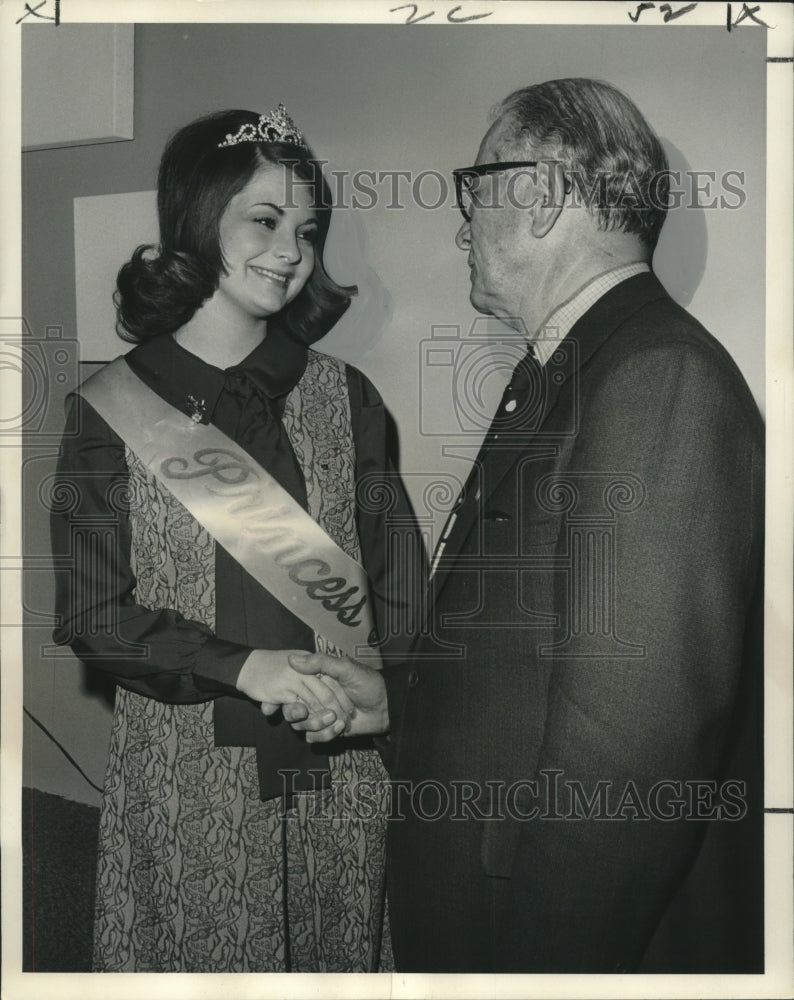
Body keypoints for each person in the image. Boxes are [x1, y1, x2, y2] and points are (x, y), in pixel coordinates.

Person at [285, 78, 765, 973]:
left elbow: (628, 758)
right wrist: (399, 701)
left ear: (541, 194)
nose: (462, 226)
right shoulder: (572, 369)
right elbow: (537, 659)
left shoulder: (658, 378)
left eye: (476, 188)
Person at [51, 106, 420, 973]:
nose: (291, 250)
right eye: (263, 220)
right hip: (186, 783)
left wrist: (395, 696)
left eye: (307, 228)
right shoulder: (110, 409)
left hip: (345, 772)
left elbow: (402, 593)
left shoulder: (346, 395)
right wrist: (251, 667)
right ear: (195, 221)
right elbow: (95, 615)